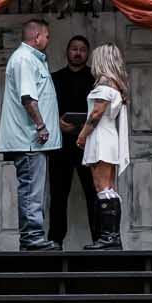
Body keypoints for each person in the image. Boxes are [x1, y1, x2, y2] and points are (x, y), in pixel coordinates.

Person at [0, 17, 60, 251]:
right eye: (47, 36)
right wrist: (41, 126)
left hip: (33, 142)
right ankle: (32, 238)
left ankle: (32, 237)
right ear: (37, 37)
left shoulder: (33, 60)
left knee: (33, 188)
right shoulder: (24, 60)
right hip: (29, 140)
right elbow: (28, 98)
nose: (48, 40)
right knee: (32, 188)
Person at [47, 34, 106, 247]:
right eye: (74, 48)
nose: (78, 52)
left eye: (82, 49)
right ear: (67, 52)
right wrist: (57, 123)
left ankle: (99, 240)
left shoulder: (95, 80)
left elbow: (101, 112)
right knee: (58, 195)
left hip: (87, 145)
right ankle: (55, 241)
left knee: (93, 194)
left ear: (87, 53)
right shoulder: (53, 78)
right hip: (59, 145)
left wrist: (83, 128)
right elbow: (45, 109)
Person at [76, 44, 130, 249]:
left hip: (100, 139)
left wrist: (82, 136)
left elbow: (96, 114)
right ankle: (112, 237)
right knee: (108, 188)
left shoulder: (104, 87)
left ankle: (109, 237)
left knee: (102, 187)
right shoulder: (115, 85)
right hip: (109, 137)